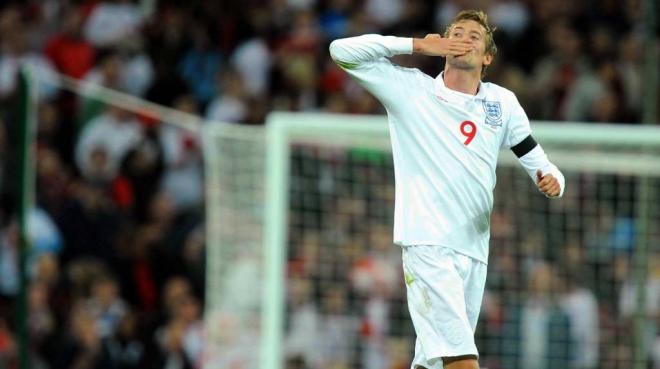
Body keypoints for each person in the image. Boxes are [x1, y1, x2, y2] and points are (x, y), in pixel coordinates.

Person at [329, 9, 565, 369]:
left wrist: (552, 181)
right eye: (457, 32)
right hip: (428, 243)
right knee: (462, 361)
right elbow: (340, 51)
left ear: (487, 57)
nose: (464, 38)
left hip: (474, 251)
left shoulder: (502, 104)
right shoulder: (410, 90)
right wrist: (417, 44)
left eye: (475, 36)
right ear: (444, 44)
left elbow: (541, 163)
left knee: (433, 363)